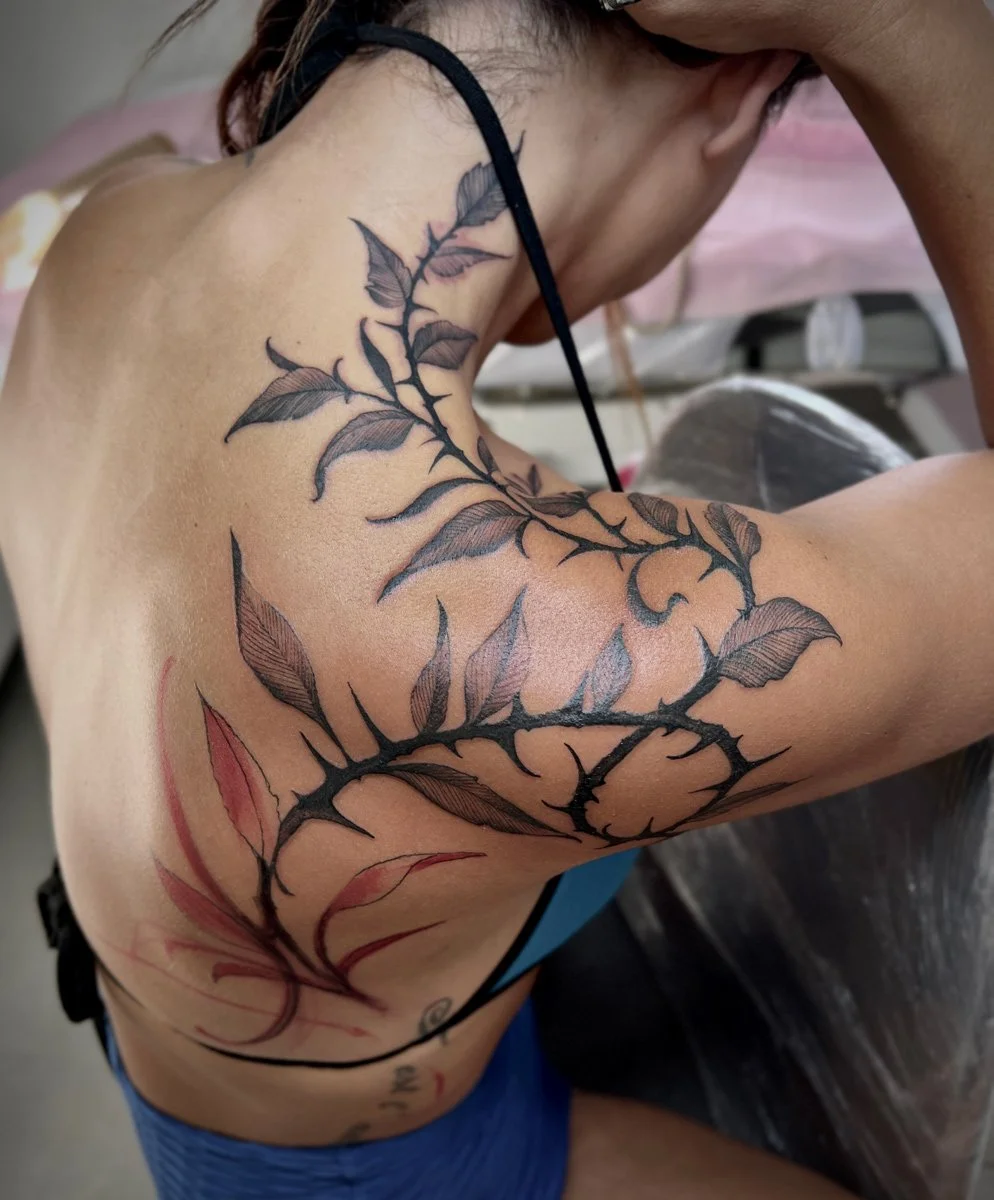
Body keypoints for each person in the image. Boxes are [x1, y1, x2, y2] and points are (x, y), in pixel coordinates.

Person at [2, 0, 992, 1195]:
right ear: (737, 96)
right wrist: (911, 29)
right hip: (398, 1167)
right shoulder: (512, 650)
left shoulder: (104, 235)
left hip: (223, 1062)